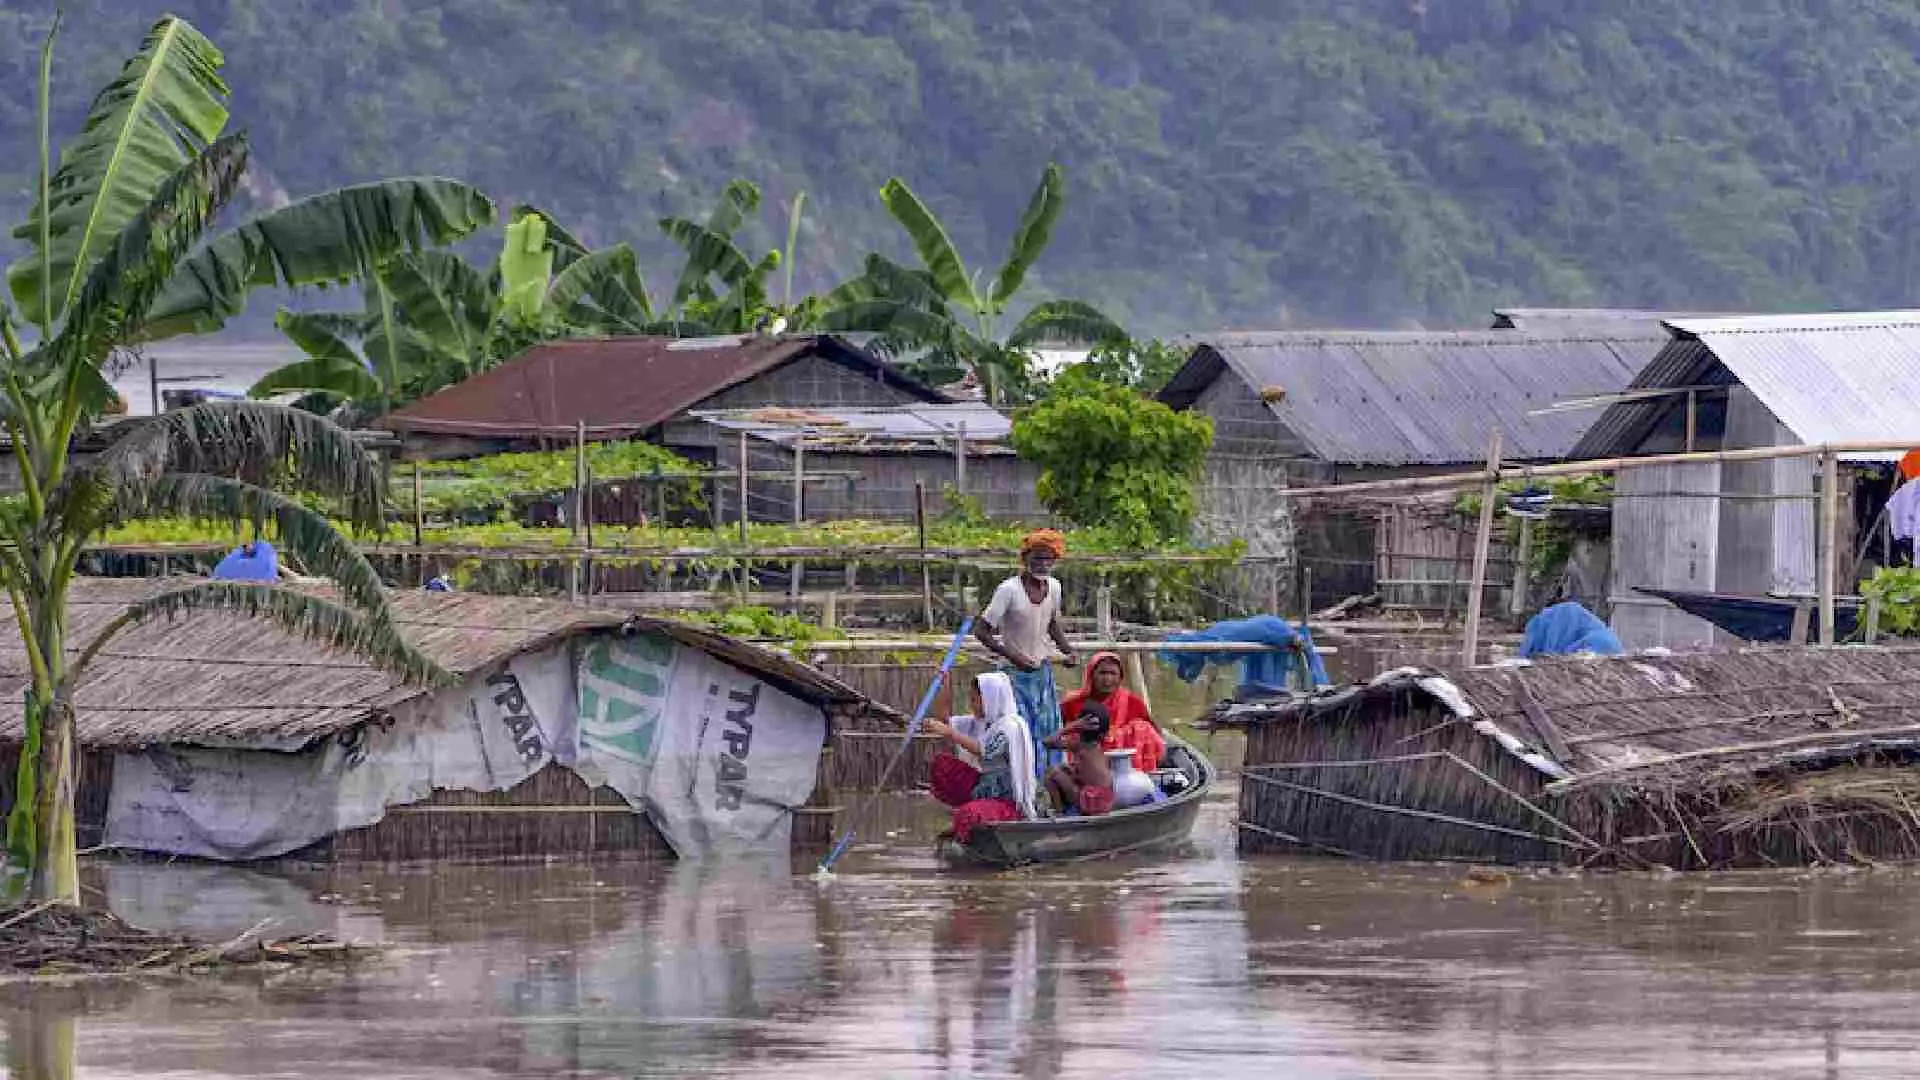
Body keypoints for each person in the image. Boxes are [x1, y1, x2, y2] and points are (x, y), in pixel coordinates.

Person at [976, 529, 1076, 774]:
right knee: (1020, 733)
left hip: (1041, 673)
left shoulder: (1053, 587)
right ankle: (1022, 787)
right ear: (1025, 558)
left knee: (1048, 730)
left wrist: (1067, 650)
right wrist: (1014, 656)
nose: (1042, 564)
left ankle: (1049, 784)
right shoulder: (1009, 590)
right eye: (1037, 558)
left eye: (1048, 559)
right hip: (1013, 675)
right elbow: (982, 631)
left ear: (1055, 561)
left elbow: (1051, 623)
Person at [925, 672, 1041, 842]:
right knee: (942, 765)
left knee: (968, 814)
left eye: (975, 700)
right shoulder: (984, 721)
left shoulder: (1010, 727)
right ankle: (974, 811)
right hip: (985, 787)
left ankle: (974, 820)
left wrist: (949, 733)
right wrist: (944, 687)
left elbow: (983, 749)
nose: (971, 705)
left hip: (1008, 800)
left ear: (991, 700)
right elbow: (945, 720)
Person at [1061, 651, 1164, 773]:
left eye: (1113, 673)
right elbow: (1058, 732)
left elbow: (1154, 733)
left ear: (1120, 677)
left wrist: (1120, 736)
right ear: (1091, 675)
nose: (1107, 679)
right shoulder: (1073, 702)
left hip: (1126, 763)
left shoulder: (1132, 702)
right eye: (1102, 673)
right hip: (1085, 759)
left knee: (1142, 728)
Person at [1044, 701, 1115, 817]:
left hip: (1092, 802)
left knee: (1051, 773)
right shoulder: (1097, 746)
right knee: (1064, 768)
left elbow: (1047, 742)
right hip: (1105, 800)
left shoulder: (1079, 746)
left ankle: (1059, 813)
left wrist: (1070, 727)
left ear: (1080, 728)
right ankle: (1065, 810)